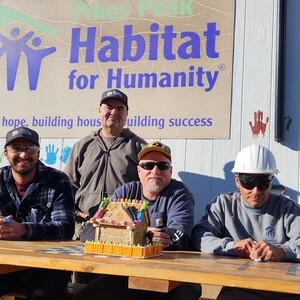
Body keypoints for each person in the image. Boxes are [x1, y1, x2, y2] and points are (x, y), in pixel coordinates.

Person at [74, 141, 201, 300]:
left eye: (162, 166)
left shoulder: (180, 194)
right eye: (148, 165)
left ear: (170, 171)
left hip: (174, 275)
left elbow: (179, 236)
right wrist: (141, 234)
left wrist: (125, 235)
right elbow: (92, 230)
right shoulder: (125, 191)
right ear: (139, 170)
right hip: (125, 272)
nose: (155, 171)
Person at [191, 144, 300, 300]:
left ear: (271, 182)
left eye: (262, 183)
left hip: (284, 288)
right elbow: (199, 236)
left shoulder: (287, 208)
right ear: (237, 181)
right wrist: (232, 246)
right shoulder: (223, 205)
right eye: (248, 182)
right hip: (239, 287)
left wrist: (281, 251)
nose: (255, 191)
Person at [0, 126, 75, 300]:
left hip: (49, 266)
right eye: (16, 148)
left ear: (39, 153)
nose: (24, 155)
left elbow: (65, 228)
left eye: (30, 149)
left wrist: (23, 229)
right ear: (6, 153)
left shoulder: (58, 180)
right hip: (7, 264)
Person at [64, 89, 146, 239]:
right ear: (99, 111)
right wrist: (74, 213)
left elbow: (147, 190)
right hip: (84, 227)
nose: (114, 112)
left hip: (123, 230)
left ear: (126, 114)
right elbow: (67, 187)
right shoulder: (82, 146)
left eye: (120, 109)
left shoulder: (139, 148)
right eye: (109, 107)